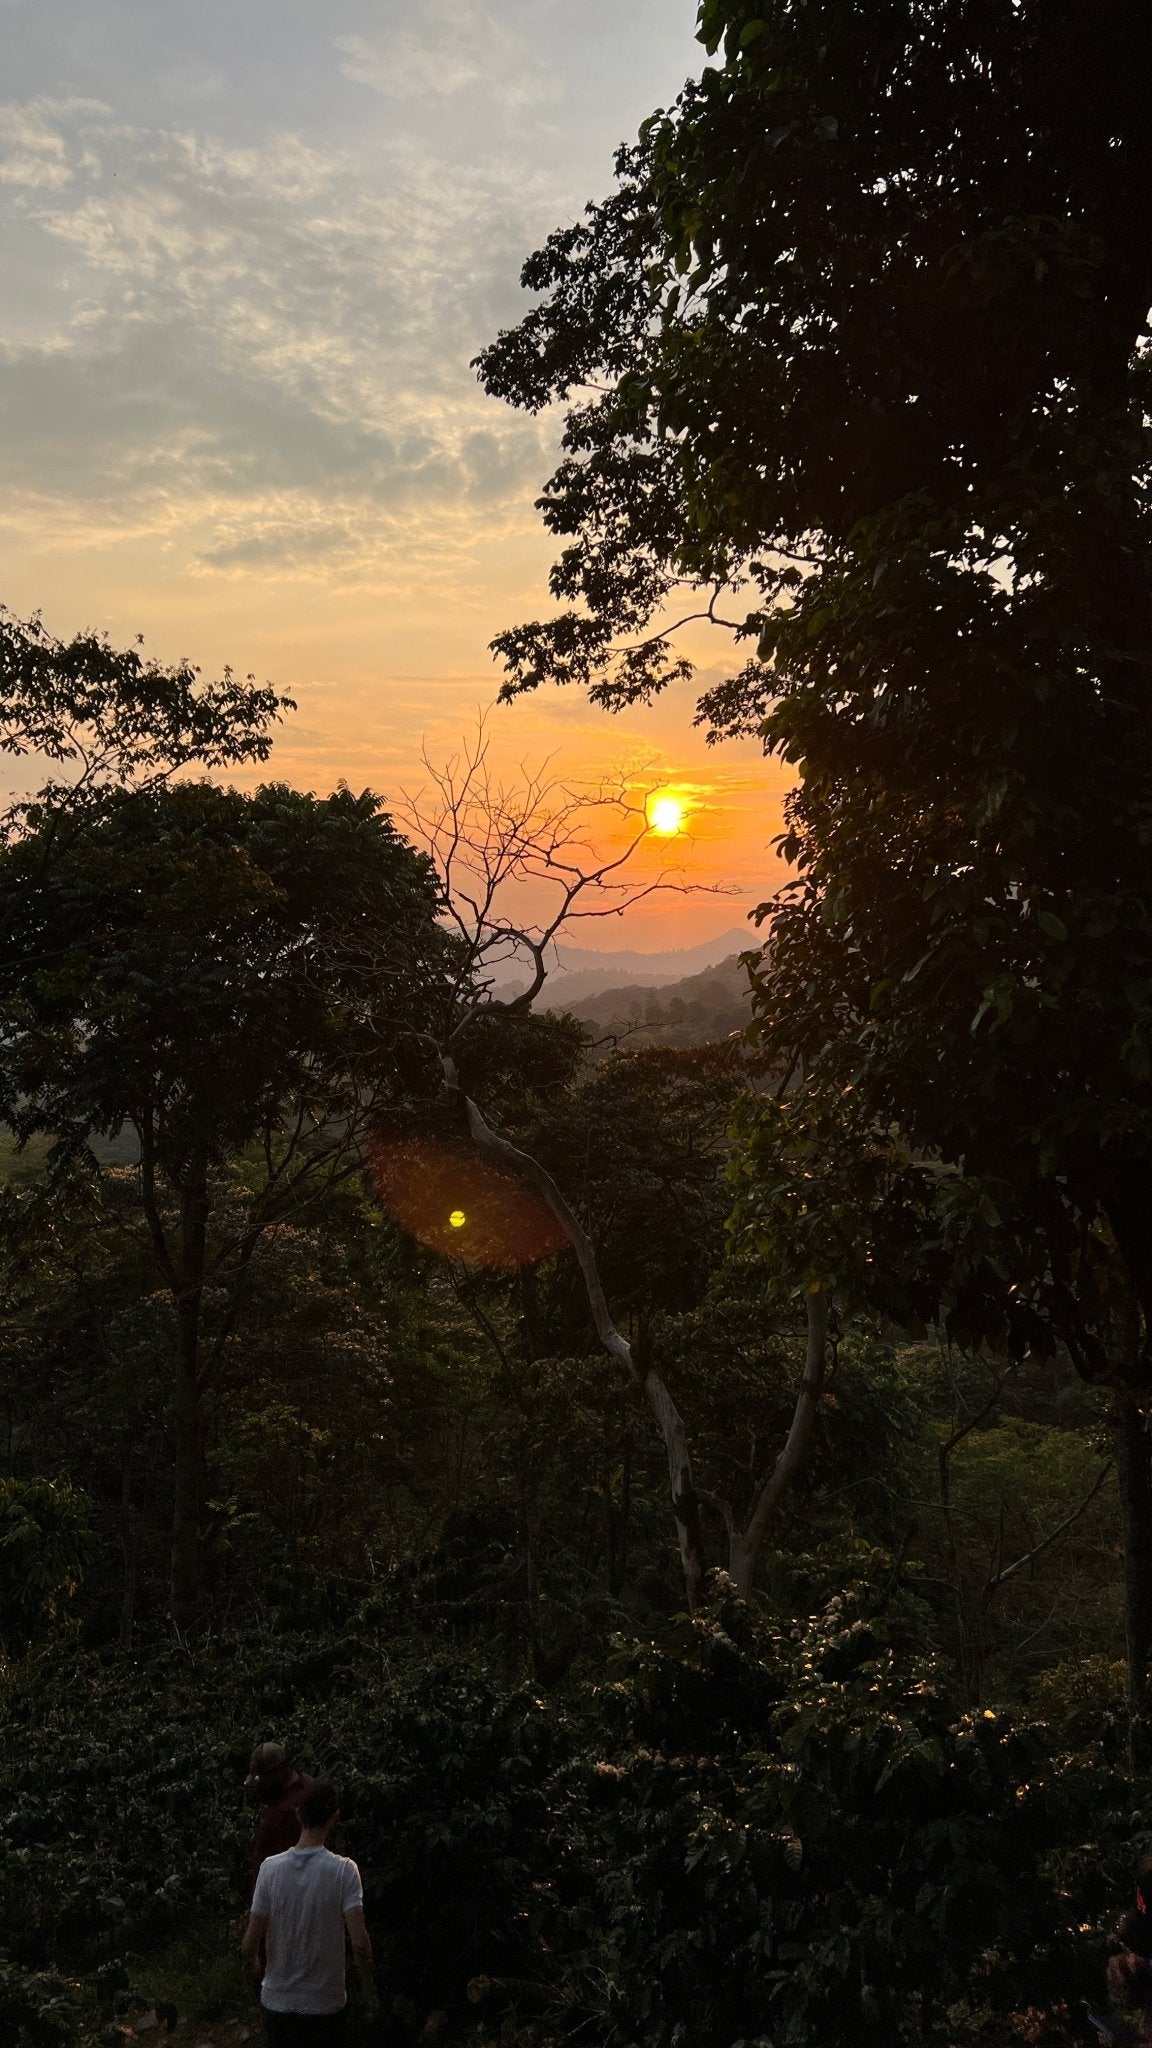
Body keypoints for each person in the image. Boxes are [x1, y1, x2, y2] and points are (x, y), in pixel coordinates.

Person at [242, 1778, 375, 2045]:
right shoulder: (345, 1871)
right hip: (326, 2005)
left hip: (277, 2003)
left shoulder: (270, 1869)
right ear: (334, 1818)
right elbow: (361, 1945)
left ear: (299, 1813)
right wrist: (370, 1993)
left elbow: (249, 1945)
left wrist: (255, 1967)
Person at [247, 1741, 315, 1899]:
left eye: (263, 1779)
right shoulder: (308, 1783)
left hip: (294, 1893)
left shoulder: (276, 1815)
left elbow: (260, 1872)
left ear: (277, 1773)